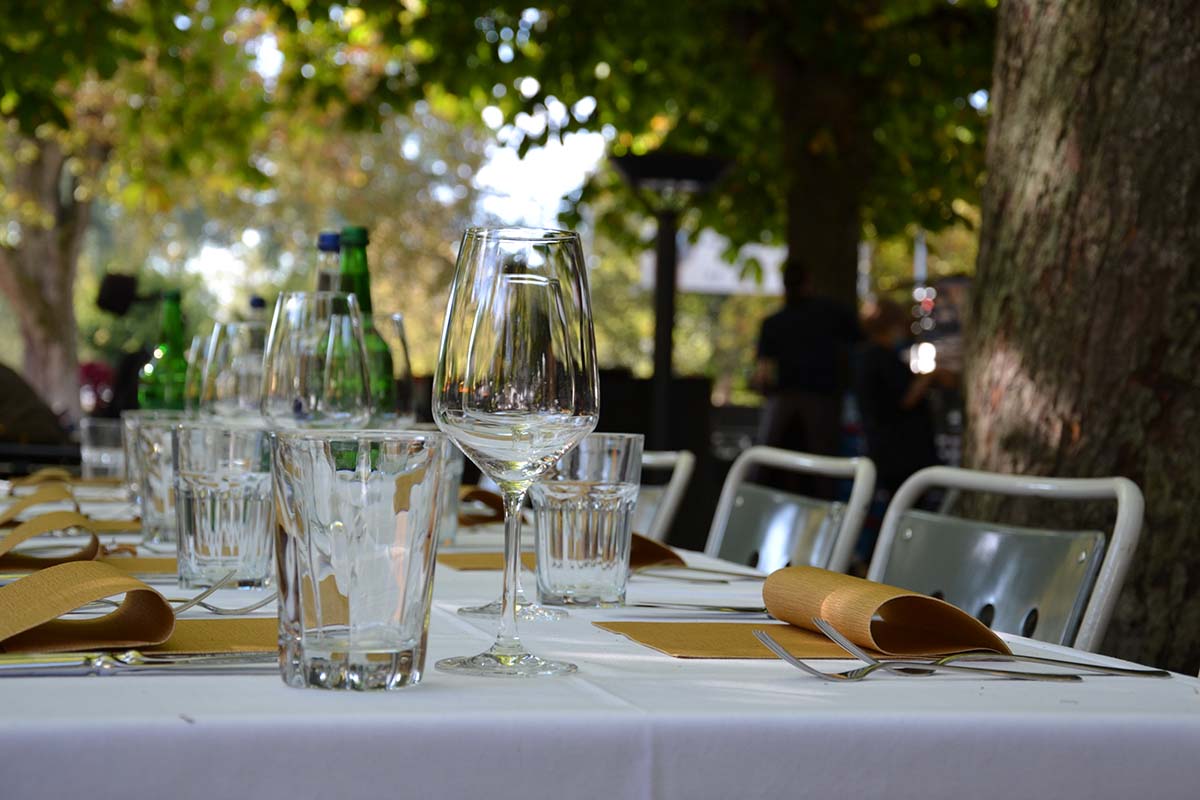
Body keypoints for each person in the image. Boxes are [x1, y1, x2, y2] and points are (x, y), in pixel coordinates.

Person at [752, 259, 861, 497]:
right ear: (808, 282)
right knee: (823, 470)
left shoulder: (774, 323)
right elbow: (858, 343)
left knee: (769, 464)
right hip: (822, 402)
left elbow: (763, 373)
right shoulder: (832, 313)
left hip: (787, 401)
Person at [855, 299, 953, 495]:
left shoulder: (873, 357)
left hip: (894, 450)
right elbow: (905, 398)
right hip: (900, 452)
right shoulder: (879, 358)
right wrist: (930, 377)